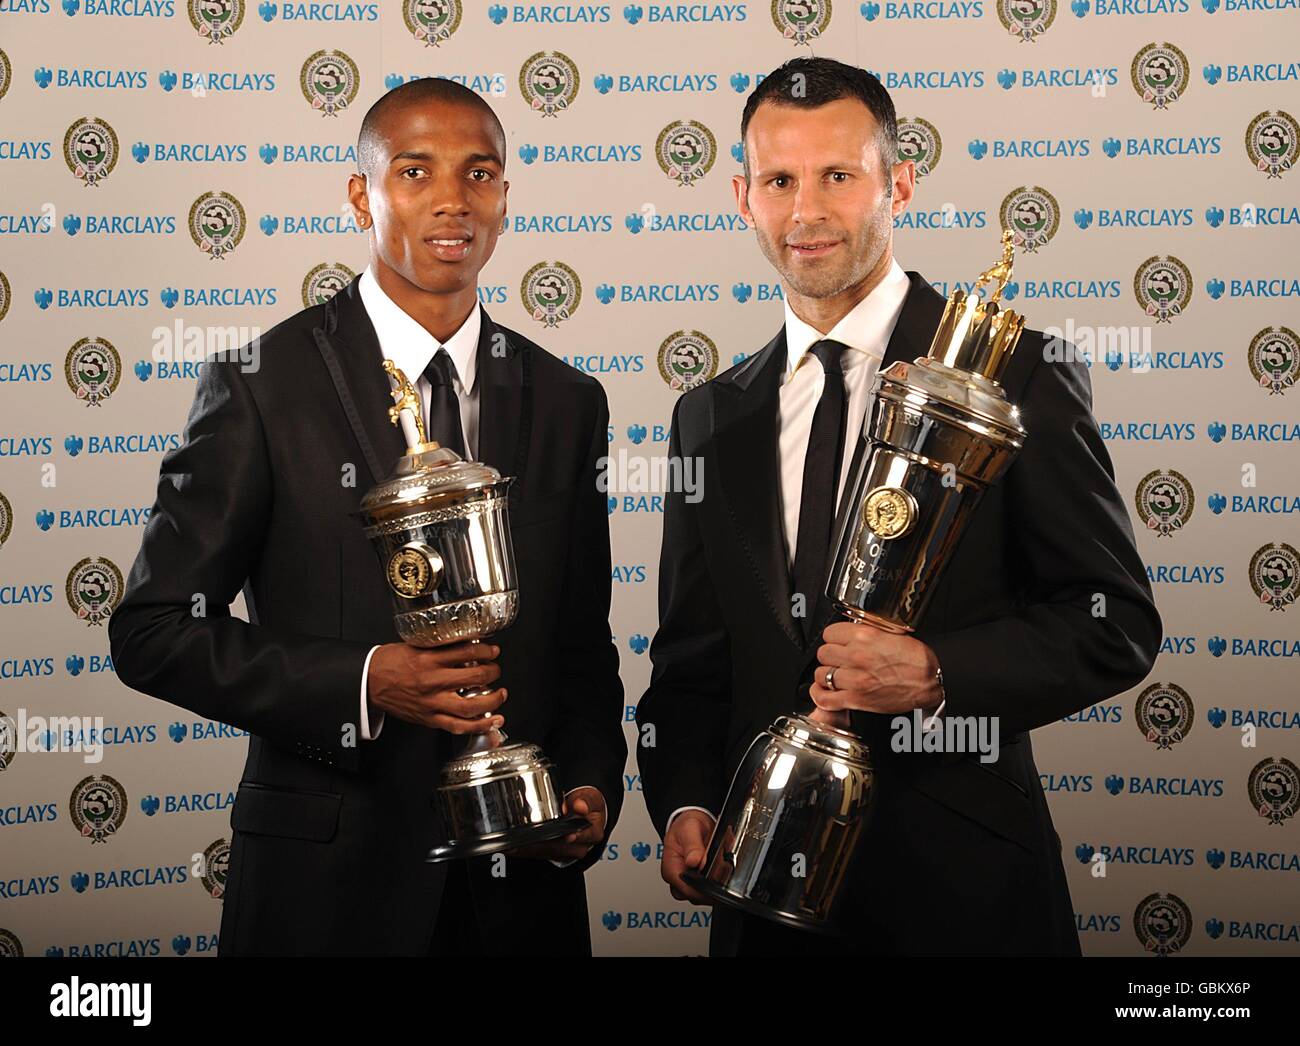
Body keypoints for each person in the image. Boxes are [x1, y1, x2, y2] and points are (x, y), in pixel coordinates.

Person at [636, 56, 1162, 956]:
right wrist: (687, 801)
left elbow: (1112, 623)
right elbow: (692, 660)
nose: (807, 210)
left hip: (966, 900)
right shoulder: (708, 416)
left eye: (839, 175)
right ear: (742, 196)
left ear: (900, 182)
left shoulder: (1014, 374)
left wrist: (936, 674)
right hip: (764, 899)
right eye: (780, 180)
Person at [108, 78, 626, 956]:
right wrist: (365, 681)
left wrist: (586, 785)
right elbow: (153, 631)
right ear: (362, 194)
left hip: (520, 900)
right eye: (415, 171)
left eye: (480, 173)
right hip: (326, 895)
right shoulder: (263, 385)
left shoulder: (567, 400)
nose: (452, 201)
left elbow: (580, 643)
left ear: (506, 196)